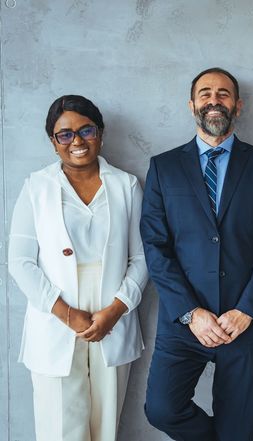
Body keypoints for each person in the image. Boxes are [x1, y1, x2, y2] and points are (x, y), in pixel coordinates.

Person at [140, 67, 253, 441]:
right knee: (161, 408)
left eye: (223, 94)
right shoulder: (164, 167)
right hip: (185, 321)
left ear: (237, 105)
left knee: (238, 430)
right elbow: (155, 247)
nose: (214, 100)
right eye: (205, 93)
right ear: (191, 104)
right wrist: (191, 313)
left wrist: (247, 311)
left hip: (247, 321)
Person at [8, 95, 148, 441]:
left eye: (86, 130)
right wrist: (67, 314)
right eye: (65, 134)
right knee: (60, 428)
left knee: (105, 427)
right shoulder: (36, 187)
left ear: (100, 133)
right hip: (55, 314)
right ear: (53, 142)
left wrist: (117, 310)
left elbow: (143, 257)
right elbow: (21, 261)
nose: (77, 141)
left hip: (111, 313)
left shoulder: (126, 185)